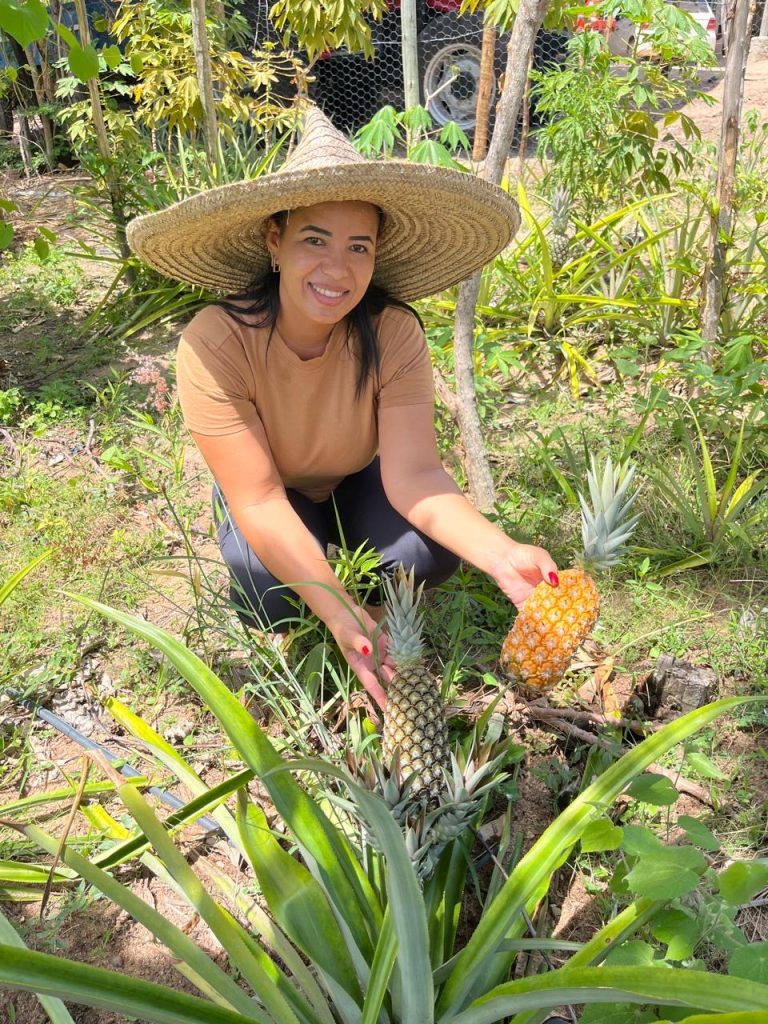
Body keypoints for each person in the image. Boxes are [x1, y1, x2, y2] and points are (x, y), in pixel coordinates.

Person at [127, 105, 559, 710]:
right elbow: (258, 498)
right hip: (270, 491)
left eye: (359, 246)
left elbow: (415, 476)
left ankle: (373, 607)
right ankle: (335, 610)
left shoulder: (391, 333)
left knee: (427, 553)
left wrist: (503, 554)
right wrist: (335, 612)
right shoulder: (216, 342)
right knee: (262, 585)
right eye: (314, 240)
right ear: (274, 240)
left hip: (356, 479)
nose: (338, 269)